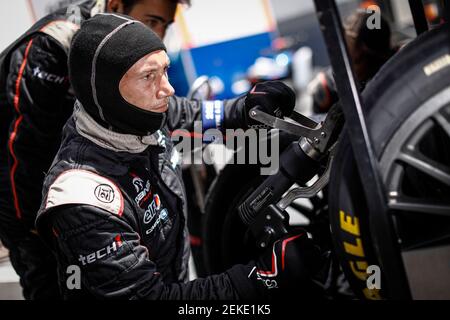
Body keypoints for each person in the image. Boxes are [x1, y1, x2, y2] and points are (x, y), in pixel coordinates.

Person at [35, 13, 324, 300]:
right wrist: (263, 279)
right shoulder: (83, 198)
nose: (168, 89)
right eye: (149, 76)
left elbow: (192, 114)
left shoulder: (139, 113)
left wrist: (246, 108)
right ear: (107, 90)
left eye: (165, 71)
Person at [0, 0, 192, 300]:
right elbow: (18, 154)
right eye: (152, 22)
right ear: (115, 5)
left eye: (165, 26)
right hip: (43, 220)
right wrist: (33, 234)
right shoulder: (50, 47)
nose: (157, 35)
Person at [309, 9, 395, 114]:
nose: (354, 68)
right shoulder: (327, 91)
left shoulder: (398, 69)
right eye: (354, 60)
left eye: (363, 60)